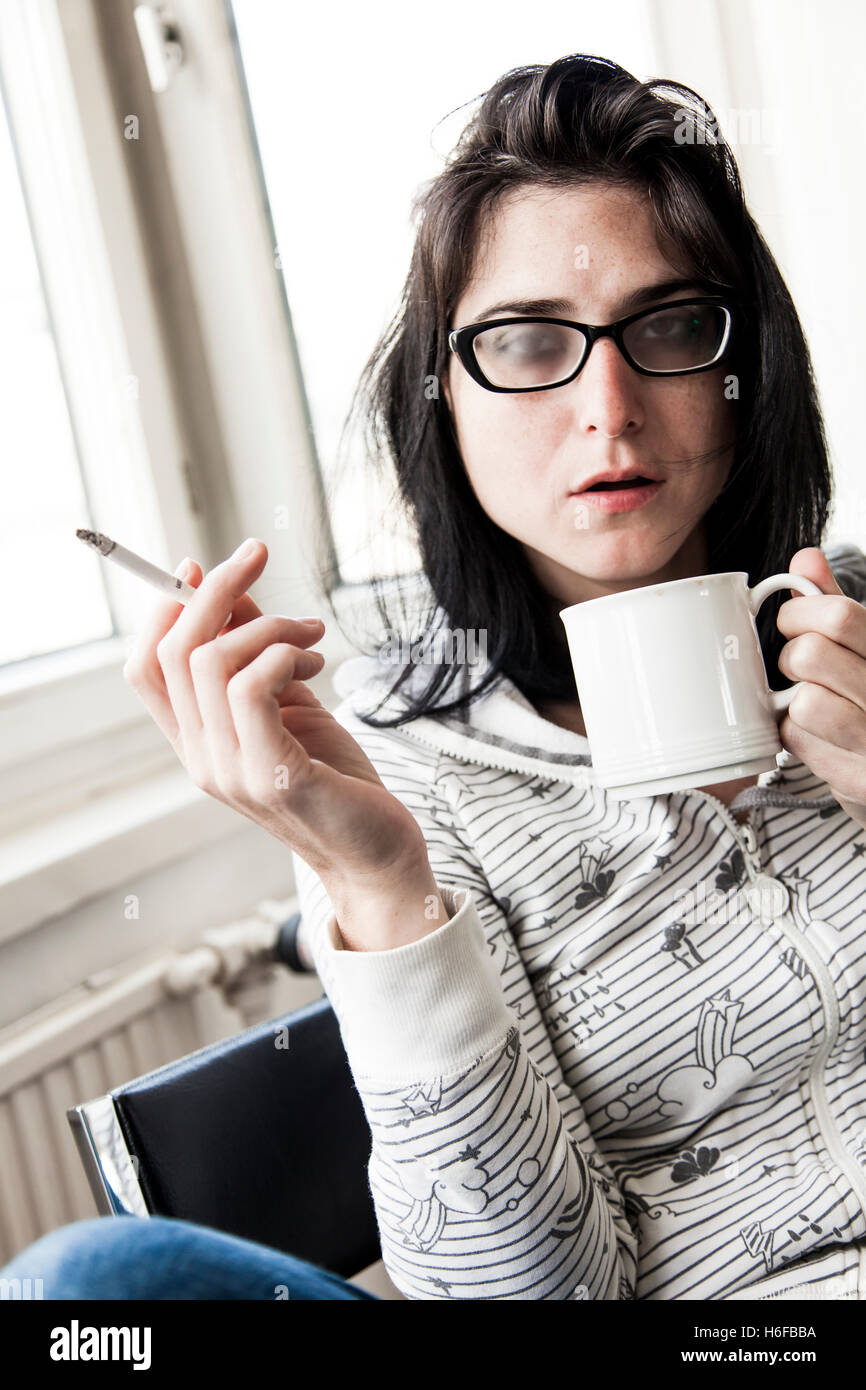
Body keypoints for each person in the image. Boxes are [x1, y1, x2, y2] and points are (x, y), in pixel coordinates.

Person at [6, 53, 866, 1302]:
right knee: (88, 1285)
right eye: (526, 344)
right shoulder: (407, 768)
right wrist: (376, 881)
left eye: (671, 326)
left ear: (746, 373)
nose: (607, 408)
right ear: (442, 406)